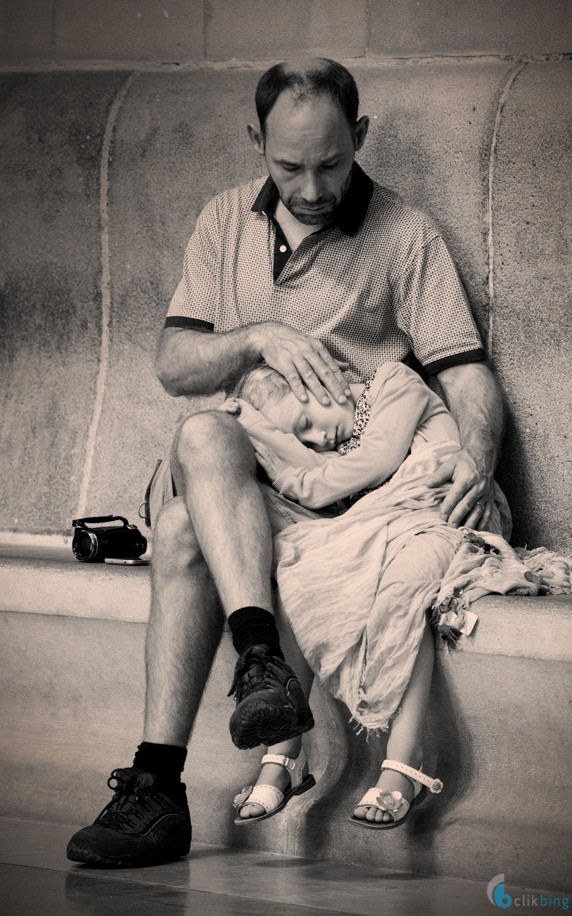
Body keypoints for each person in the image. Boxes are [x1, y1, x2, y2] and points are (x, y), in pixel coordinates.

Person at [67, 57, 506, 866]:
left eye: (331, 163)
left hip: (333, 489)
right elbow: (174, 364)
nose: (310, 187)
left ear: (360, 137)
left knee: (177, 530)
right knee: (203, 437)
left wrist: (477, 455)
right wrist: (260, 336)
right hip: (243, 465)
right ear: (255, 142)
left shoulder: (405, 235)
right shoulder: (222, 221)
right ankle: (260, 662)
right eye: (289, 165)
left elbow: (464, 368)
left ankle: (159, 785)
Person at [225, 360, 510, 827]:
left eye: (305, 424)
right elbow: (326, 473)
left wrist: (298, 480)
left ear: (324, 380)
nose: (317, 441)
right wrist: (252, 424)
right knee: (301, 570)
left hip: (446, 515)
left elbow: (364, 466)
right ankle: (284, 755)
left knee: (402, 588)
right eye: (303, 438)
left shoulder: (393, 384)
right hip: (381, 523)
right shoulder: (336, 441)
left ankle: (404, 764)